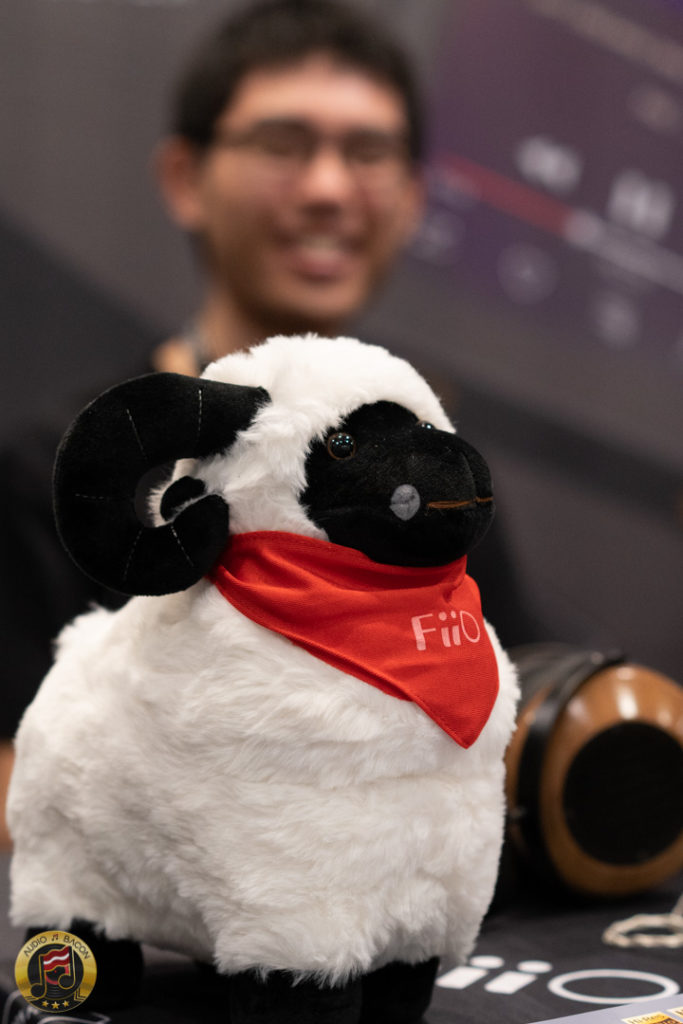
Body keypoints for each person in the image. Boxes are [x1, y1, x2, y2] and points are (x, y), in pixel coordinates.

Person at [0, 0, 537, 844]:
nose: (328, 189)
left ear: (410, 199)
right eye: (283, 146)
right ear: (186, 178)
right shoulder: (64, 468)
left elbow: (499, 734)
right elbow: (17, 780)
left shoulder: (435, 480)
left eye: (368, 153)